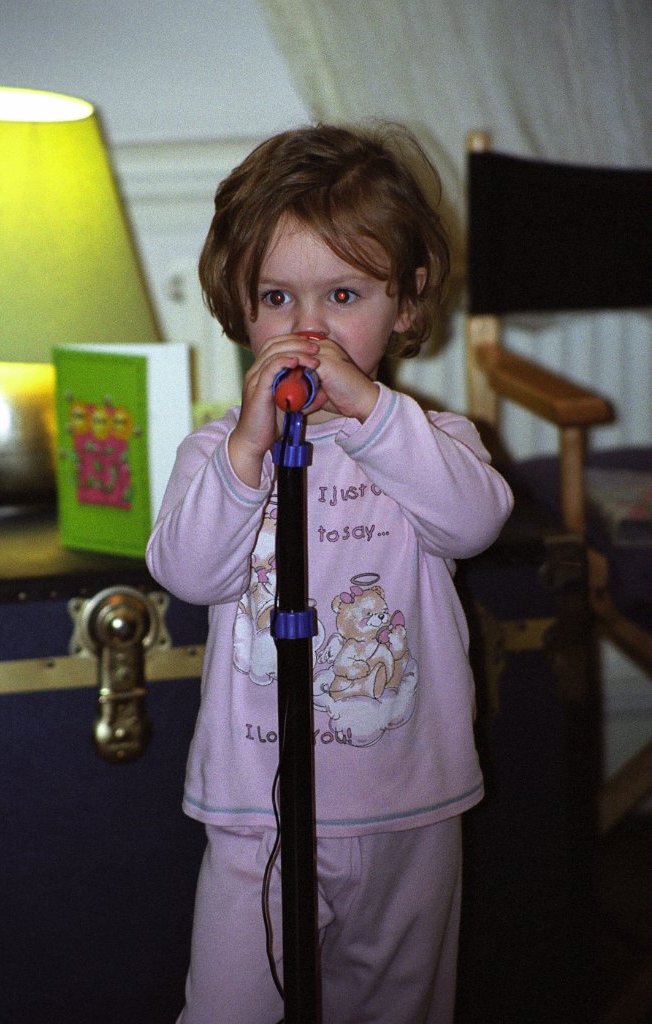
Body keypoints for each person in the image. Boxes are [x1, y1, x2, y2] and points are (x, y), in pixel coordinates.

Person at [146, 122, 513, 1024]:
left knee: (398, 1004)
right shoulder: (217, 453)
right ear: (240, 308)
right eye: (276, 297)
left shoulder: (431, 441)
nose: (307, 331)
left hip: (410, 804)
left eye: (343, 294)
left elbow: (475, 522)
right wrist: (245, 451)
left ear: (406, 303)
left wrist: (374, 415)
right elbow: (188, 572)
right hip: (257, 812)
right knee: (229, 1006)